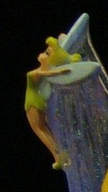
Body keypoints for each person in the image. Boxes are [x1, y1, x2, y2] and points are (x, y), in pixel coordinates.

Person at [24, 36, 78, 168]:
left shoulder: (36, 72)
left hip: (32, 103)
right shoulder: (42, 72)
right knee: (46, 129)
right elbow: (49, 73)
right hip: (40, 101)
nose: (42, 53)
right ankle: (63, 156)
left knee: (39, 130)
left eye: (47, 53)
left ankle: (58, 158)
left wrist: (60, 71)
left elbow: (47, 73)